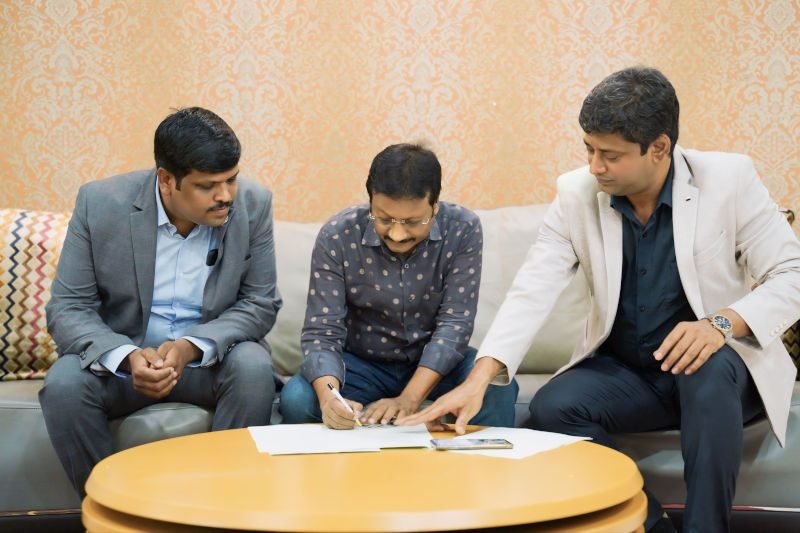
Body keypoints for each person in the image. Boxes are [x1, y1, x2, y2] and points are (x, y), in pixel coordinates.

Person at [399, 67, 800, 532]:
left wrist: (721, 324)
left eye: (610, 155)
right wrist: (480, 377)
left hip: (719, 372)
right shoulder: (576, 194)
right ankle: (650, 523)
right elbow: (534, 287)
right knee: (551, 408)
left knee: (705, 373)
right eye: (589, 149)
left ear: (660, 148)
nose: (594, 167)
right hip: (629, 374)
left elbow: (791, 273)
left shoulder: (729, 179)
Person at [39, 107, 282, 497]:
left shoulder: (253, 204)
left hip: (207, 362)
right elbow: (68, 306)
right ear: (167, 180)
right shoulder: (99, 203)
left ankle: (226, 512)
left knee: (253, 365)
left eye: (231, 180)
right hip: (124, 366)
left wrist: (189, 348)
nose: (225, 196)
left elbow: (260, 302)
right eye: (207, 186)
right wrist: (127, 356)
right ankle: (110, 511)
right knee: (64, 383)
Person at [279, 143, 518, 429]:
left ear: (435, 207)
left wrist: (409, 399)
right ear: (370, 204)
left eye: (413, 222)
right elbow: (322, 332)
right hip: (361, 363)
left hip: (440, 363)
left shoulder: (463, 229)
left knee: (498, 388)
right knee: (297, 399)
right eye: (384, 218)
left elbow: (455, 324)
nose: (397, 233)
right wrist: (331, 399)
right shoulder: (337, 236)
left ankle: (480, 471)